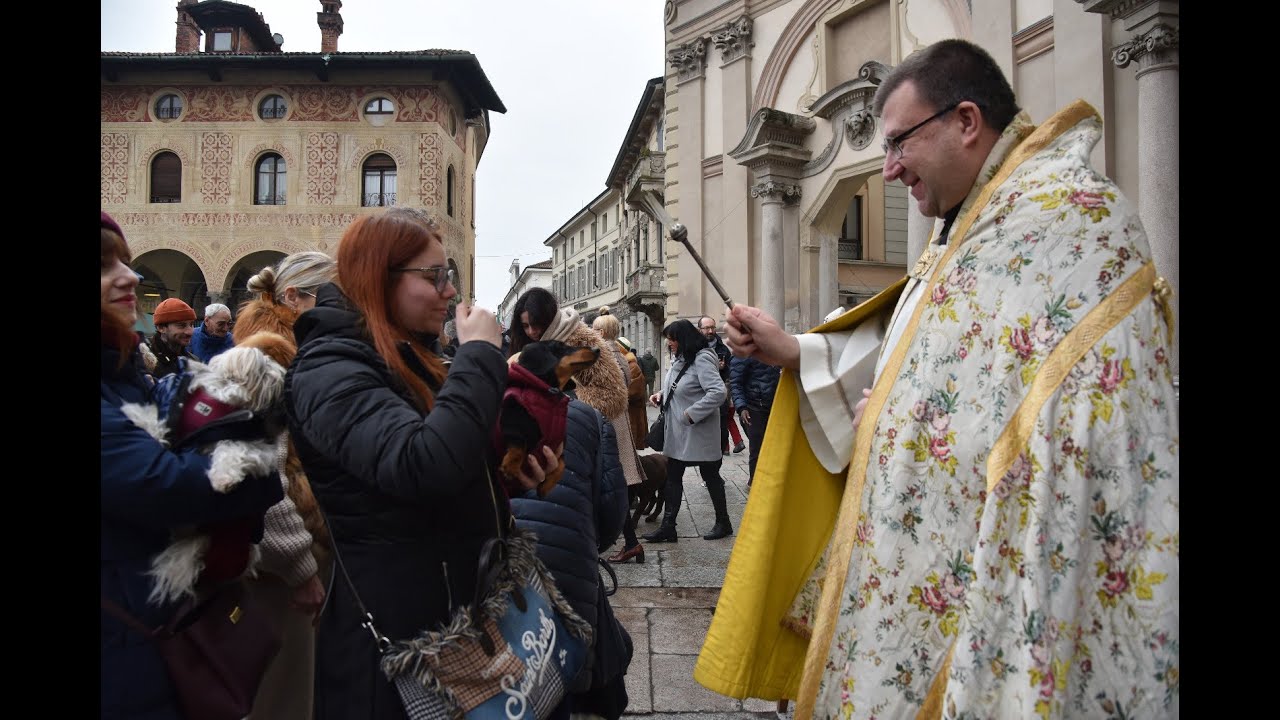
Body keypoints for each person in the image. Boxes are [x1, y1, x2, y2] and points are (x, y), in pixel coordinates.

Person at [700, 39, 1179, 718]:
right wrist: (794, 351)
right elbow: (922, 354)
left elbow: (1069, 421)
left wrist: (894, 419)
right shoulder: (967, 228)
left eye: (899, 142)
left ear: (964, 121)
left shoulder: (1070, 220)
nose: (888, 169)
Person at [283, 207, 557, 720]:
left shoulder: (408, 354)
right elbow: (422, 464)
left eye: (448, 275)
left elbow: (441, 457)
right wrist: (479, 354)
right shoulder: (329, 367)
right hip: (398, 656)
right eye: (434, 277)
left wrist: (503, 476)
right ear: (378, 279)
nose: (449, 291)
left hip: (452, 624)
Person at [101, 211, 284, 720]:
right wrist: (262, 469)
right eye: (104, 265)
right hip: (122, 652)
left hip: (154, 629)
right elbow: (165, 485)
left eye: (124, 260)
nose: (129, 276)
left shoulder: (122, 371)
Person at [233, 250, 337, 720]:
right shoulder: (269, 353)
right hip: (286, 564)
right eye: (330, 297)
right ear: (294, 297)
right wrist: (300, 567)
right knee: (285, 695)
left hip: (302, 552)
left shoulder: (299, 348)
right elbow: (257, 470)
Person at [510, 392, 632, 719]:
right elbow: (611, 516)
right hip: (568, 583)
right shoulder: (587, 417)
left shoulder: (463, 411)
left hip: (492, 590)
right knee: (565, 681)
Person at [642, 319, 732, 543]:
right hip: (679, 431)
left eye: (672, 339)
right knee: (673, 476)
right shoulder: (682, 359)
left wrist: (692, 413)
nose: (669, 343)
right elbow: (679, 384)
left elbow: (718, 392)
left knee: (710, 475)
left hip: (698, 431)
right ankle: (668, 526)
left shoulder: (702, 359)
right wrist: (662, 394)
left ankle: (724, 522)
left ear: (683, 339)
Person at [593, 309, 649, 565]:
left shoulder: (600, 357)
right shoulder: (623, 357)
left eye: (594, 329)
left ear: (602, 332)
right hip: (620, 422)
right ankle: (630, 542)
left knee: (607, 483)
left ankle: (628, 542)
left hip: (605, 423)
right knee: (619, 485)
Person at [728, 354, 781, 486]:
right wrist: (742, 407)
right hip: (754, 407)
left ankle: (772, 481)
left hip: (775, 405)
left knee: (775, 447)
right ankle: (754, 483)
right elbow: (736, 383)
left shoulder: (772, 348)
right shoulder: (743, 353)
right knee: (757, 447)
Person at [699, 317, 746, 455]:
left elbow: (731, 372)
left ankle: (723, 448)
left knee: (723, 419)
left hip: (720, 389)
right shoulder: (695, 347)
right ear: (700, 330)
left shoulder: (723, 348)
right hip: (700, 391)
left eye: (712, 327)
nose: (710, 331)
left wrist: (723, 368)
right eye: (707, 328)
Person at [146, 297, 199, 379]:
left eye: (191, 324)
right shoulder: (144, 361)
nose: (190, 332)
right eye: (181, 325)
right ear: (161, 328)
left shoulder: (193, 362)